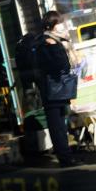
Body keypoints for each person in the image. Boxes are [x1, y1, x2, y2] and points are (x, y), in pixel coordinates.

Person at [37, 11, 82, 167]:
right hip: (53, 89)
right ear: (50, 26)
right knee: (57, 125)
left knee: (60, 124)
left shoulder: (49, 41)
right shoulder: (47, 42)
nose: (61, 25)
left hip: (54, 89)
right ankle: (65, 158)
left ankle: (66, 154)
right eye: (58, 23)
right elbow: (60, 65)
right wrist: (60, 47)